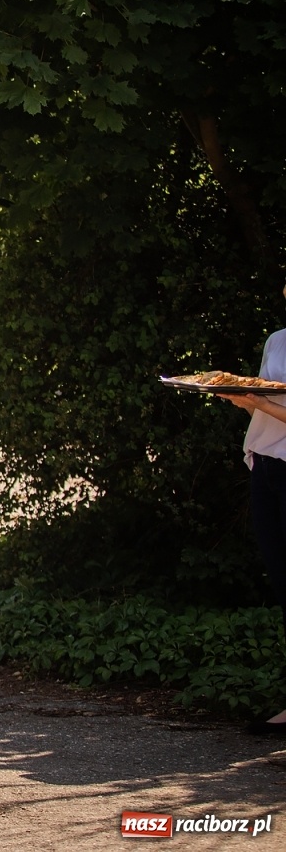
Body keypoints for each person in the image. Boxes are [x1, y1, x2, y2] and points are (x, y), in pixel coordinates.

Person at [215, 282, 286, 737]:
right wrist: (248, 402)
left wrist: (258, 402)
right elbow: (268, 408)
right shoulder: (277, 341)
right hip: (267, 466)